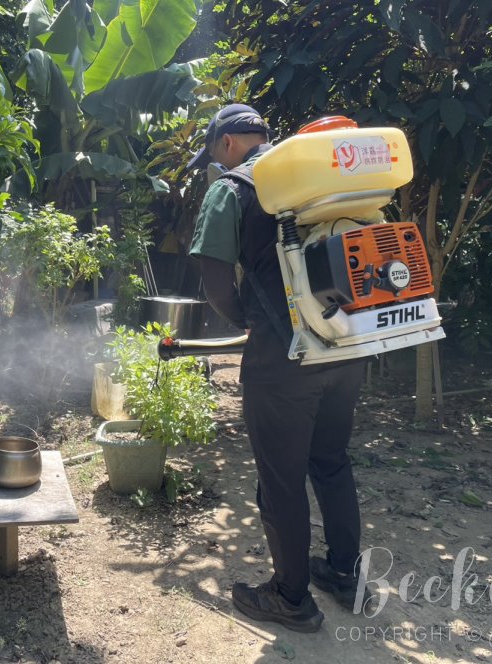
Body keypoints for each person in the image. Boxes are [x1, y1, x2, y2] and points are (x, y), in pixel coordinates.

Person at [187, 104, 370, 633]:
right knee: (331, 460)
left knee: (282, 479)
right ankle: (342, 572)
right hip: (348, 343)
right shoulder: (316, 172)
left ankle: (291, 597)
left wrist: (246, 319)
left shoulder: (233, 187)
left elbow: (214, 275)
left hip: (285, 358)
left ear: (225, 145)